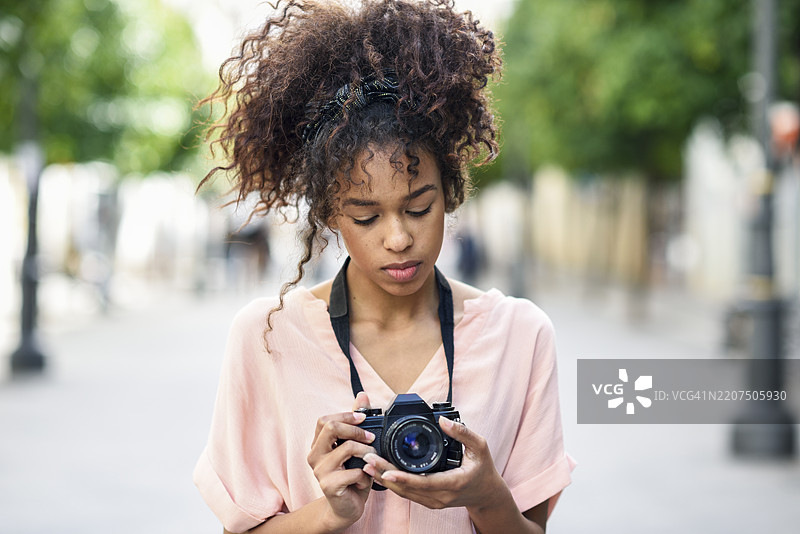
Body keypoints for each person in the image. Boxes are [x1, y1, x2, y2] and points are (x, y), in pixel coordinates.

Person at [193, 1, 575, 532]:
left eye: (420, 207)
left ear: (452, 191)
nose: (399, 239)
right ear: (330, 213)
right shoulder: (266, 338)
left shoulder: (521, 335)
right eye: (367, 217)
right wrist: (330, 513)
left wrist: (488, 496)